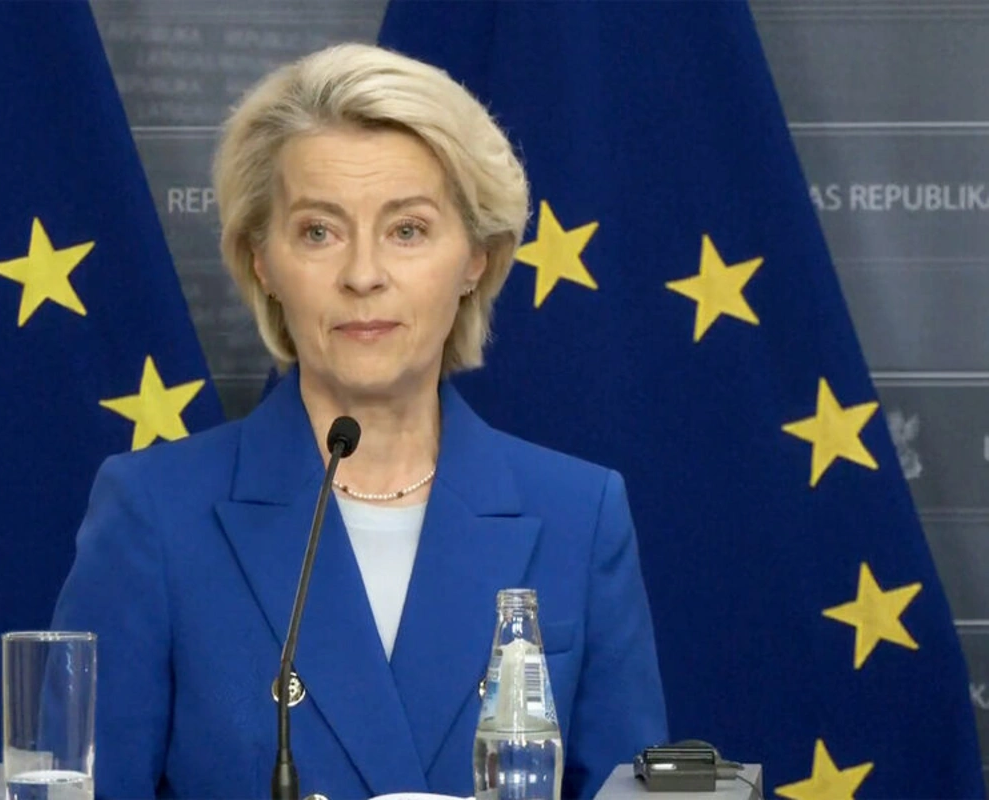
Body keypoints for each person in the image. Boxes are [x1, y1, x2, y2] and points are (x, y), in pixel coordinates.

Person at [52, 42, 667, 799]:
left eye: (407, 230)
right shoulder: (154, 513)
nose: (363, 275)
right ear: (262, 261)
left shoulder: (579, 515)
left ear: (476, 256)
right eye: (319, 231)